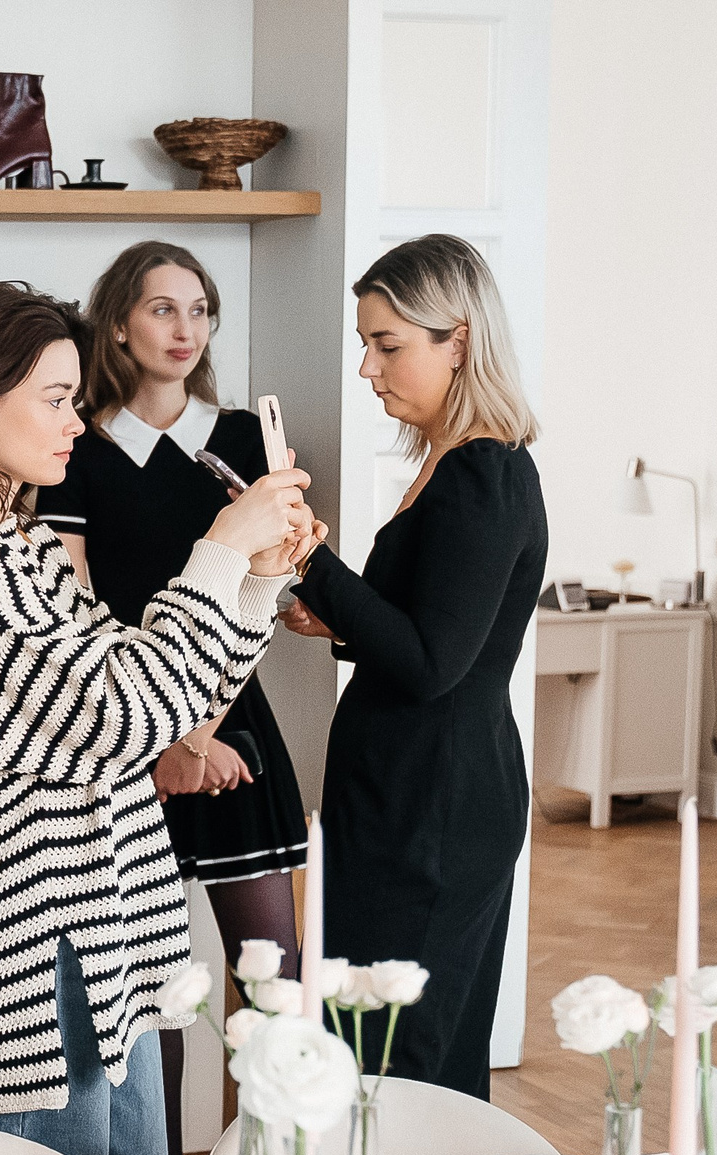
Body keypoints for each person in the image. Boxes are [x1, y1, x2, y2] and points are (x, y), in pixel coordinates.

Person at [0, 281, 312, 1155]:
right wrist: (220, 549)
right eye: (57, 399)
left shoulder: (18, 546)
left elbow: (166, 698)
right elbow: (115, 712)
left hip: (107, 932)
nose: (77, 422)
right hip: (36, 949)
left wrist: (256, 582)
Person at [39, 240, 309, 1155]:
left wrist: (201, 729)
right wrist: (160, 731)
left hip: (232, 720)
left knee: (272, 982)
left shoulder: (240, 438)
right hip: (125, 735)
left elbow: (265, 593)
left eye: (200, 310)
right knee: (147, 986)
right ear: (117, 322)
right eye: (163, 309)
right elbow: (73, 608)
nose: (186, 329)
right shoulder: (74, 445)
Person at [283, 234, 546, 1099]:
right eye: (367, 344)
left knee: (405, 1068)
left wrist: (310, 557)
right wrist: (337, 622)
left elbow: (435, 663)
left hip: (436, 808)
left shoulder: (484, 476)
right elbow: (429, 630)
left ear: (459, 339)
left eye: (387, 345)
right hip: (401, 795)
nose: (367, 368)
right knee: (363, 1052)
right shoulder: (444, 464)